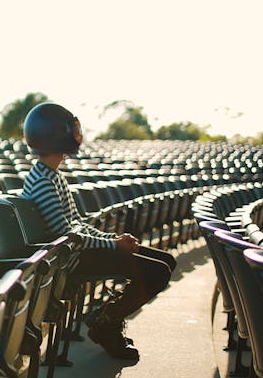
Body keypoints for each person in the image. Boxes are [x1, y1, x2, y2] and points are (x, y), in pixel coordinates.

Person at [21, 102, 176, 361]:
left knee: (166, 261)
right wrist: (114, 245)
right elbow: (67, 236)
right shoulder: (43, 181)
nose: (76, 134)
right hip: (69, 259)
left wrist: (114, 239)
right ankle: (106, 322)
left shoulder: (53, 175)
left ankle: (107, 317)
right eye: (71, 129)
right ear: (55, 134)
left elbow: (77, 224)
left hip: (78, 250)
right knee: (157, 271)